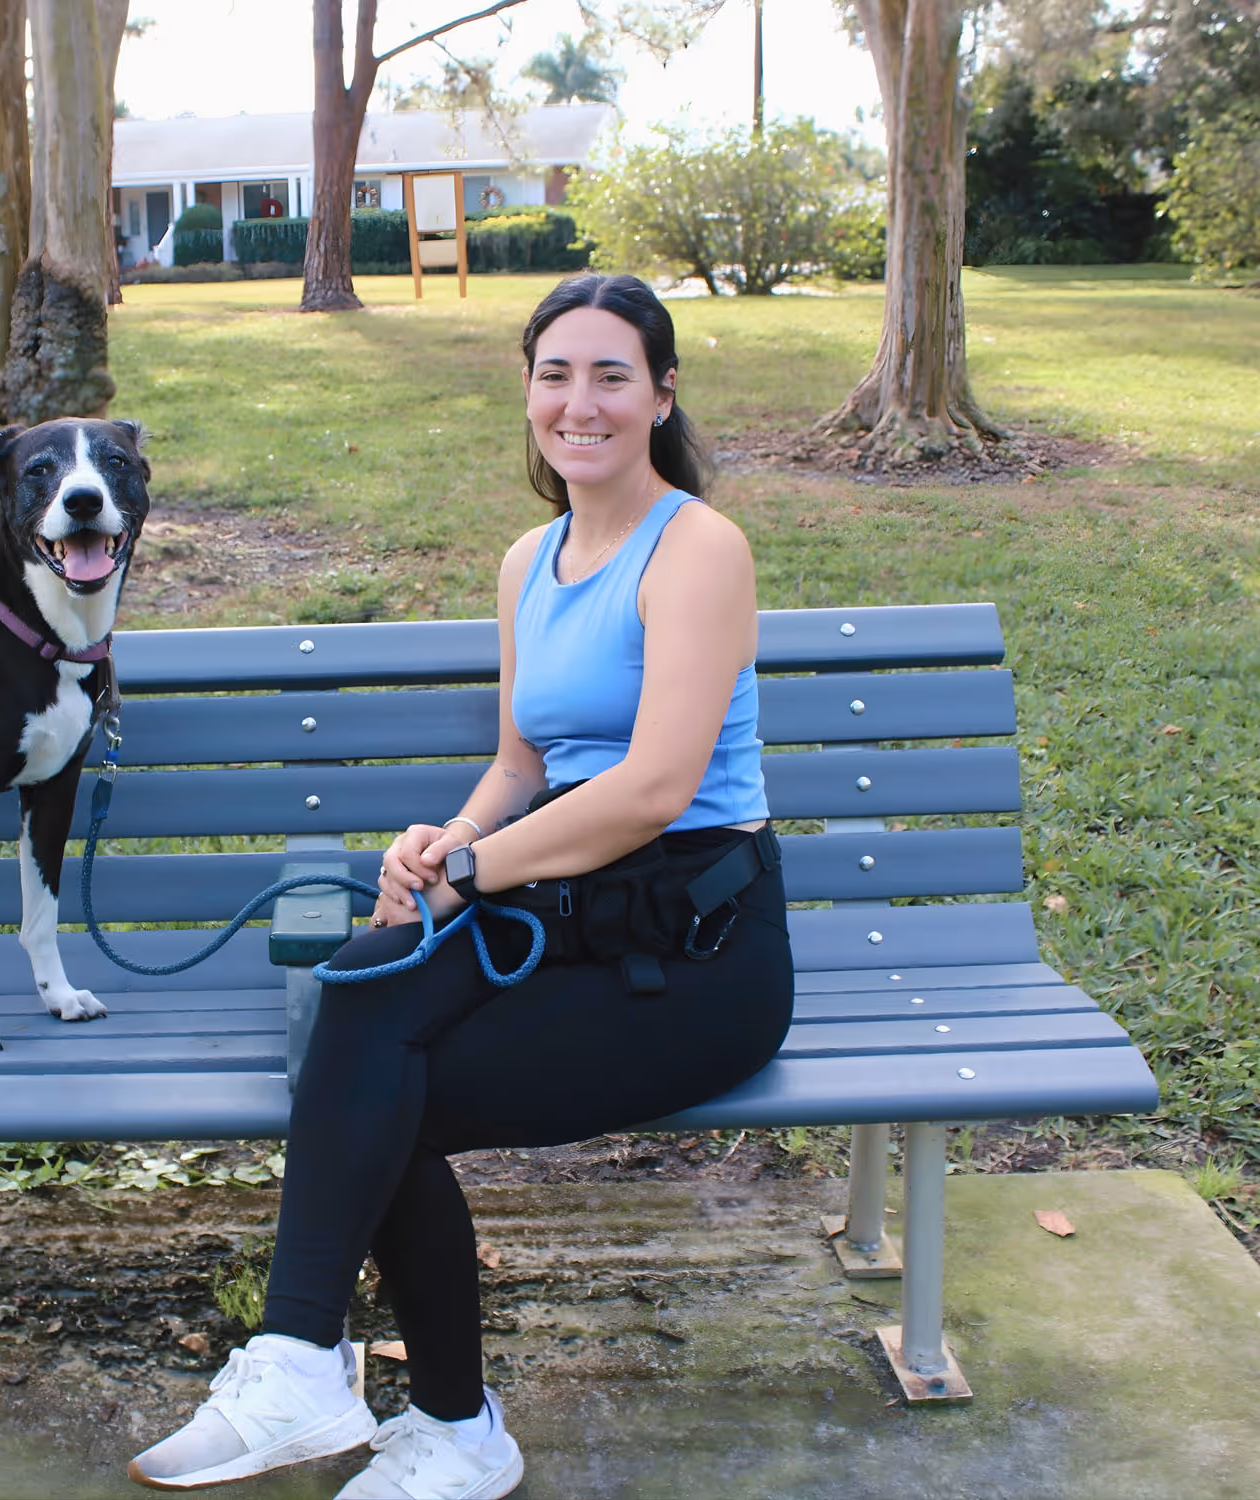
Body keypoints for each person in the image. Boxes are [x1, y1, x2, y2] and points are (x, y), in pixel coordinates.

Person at [127, 273, 795, 1499]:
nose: (577, 402)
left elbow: (652, 788)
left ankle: (431, 1418)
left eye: (609, 375)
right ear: (527, 391)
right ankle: (313, 1370)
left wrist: (483, 869)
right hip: (577, 911)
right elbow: (520, 762)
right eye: (554, 373)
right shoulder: (526, 562)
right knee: (358, 989)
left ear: (659, 393)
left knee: (384, 1090)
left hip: (698, 948)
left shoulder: (697, 547)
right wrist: (444, 839)